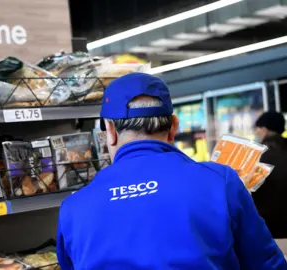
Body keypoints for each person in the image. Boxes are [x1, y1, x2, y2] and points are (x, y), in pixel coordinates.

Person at [56, 73, 287, 269]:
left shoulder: (73, 208)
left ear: (110, 131)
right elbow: (267, 264)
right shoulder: (220, 182)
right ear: (174, 126)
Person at [252, 111, 287, 238]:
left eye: (258, 129)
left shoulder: (255, 157)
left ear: (265, 130)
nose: (256, 132)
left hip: (268, 229)